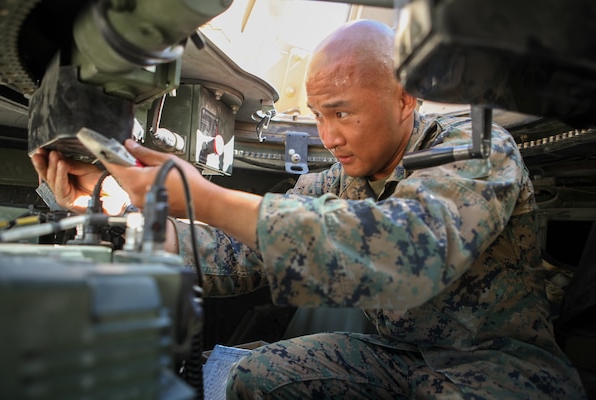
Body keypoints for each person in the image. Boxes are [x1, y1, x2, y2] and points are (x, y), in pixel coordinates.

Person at [31, 19, 586, 399]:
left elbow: (407, 253)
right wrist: (118, 214)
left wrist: (207, 196)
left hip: (498, 365)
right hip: (398, 355)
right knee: (257, 378)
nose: (328, 136)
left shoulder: (475, 147)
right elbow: (234, 251)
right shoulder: (342, 178)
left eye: (342, 113)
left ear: (405, 96)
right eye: (318, 115)